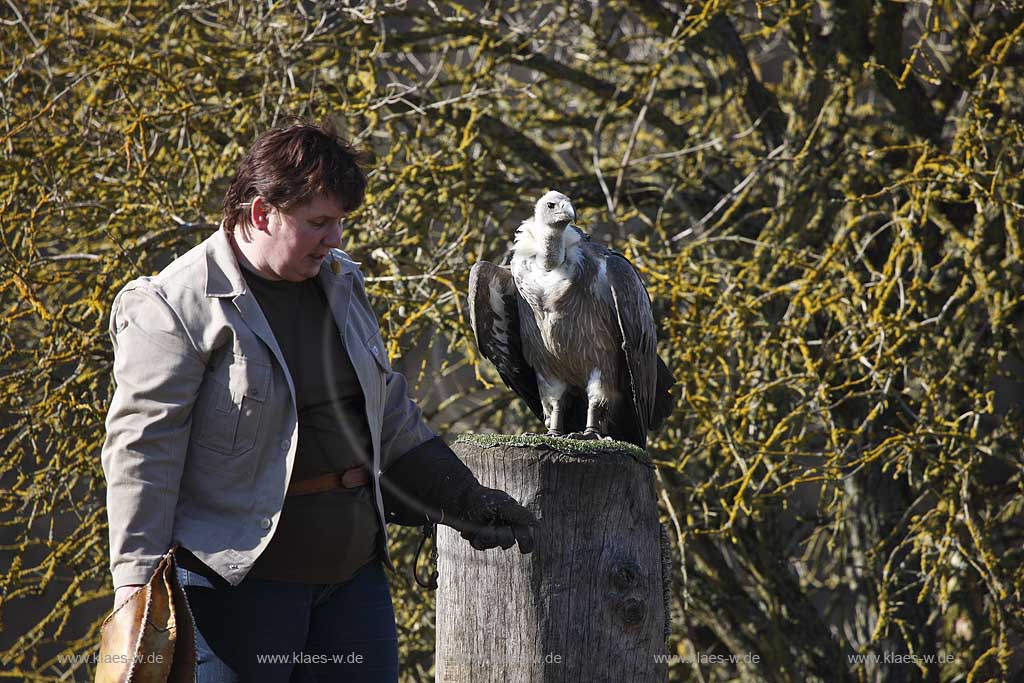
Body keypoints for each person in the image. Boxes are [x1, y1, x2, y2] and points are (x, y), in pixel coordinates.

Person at [100, 121, 537, 682]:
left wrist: (462, 498)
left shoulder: (341, 282)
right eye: (318, 223)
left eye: (339, 223)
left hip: (352, 585)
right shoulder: (174, 305)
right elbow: (142, 449)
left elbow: (387, 411)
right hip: (236, 595)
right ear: (261, 214)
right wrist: (135, 589)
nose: (335, 239)